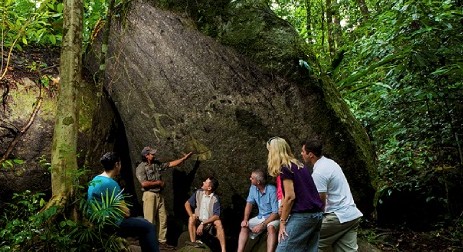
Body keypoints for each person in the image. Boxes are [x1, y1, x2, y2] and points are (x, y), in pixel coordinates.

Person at [87, 152, 159, 252]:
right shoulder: (110, 183)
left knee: (142, 222)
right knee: (148, 227)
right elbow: (125, 212)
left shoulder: (95, 179)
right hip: (111, 223)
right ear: (117, 164)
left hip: (97, 221)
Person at [302, 139, 363, 252]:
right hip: (351, 215)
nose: (301, 154)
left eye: (303, 151)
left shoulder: (319, 173)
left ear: (310, 154)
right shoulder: (330, 163)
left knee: (311, 242)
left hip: (337, 216)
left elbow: (320, 202)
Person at [266, 137, 323, 252]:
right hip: (316, 215)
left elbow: (290, 196)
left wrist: (282, 222)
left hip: (303, 216)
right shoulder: (299, 165)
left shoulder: (285, 168)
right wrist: (282, 205)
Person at [135, 146, 193, 249]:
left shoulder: (156, 164)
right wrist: (158, 182)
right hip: (149, 195)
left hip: (159, 195)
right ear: (146, 156)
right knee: (149, 220)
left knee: (163, 218)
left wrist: (183, 159)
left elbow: (170, 164)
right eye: (152, 154)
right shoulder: (141, 167)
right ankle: (149, 242)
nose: (154, 155)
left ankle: (162, 242)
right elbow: (143, 183)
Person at [237, 169, 279, 252]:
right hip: (261, 216)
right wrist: (245, 220)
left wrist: (262, 225)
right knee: (244, 226)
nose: (250, 179)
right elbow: (249, 204)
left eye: (252, 178)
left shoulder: (272, 190)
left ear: (258, 182)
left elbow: (275, 213)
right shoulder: (253, 188)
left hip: (273, 217)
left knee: (270, 227)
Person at [184, 176, 226, 252]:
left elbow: (216, 216)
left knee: (218, 223)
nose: (203, 182)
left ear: (209, 188)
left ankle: (223, 250)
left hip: (209, 224)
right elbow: (187, 204)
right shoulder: (198, 192)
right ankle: (193, 243)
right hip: (198, 221)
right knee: (191, 218)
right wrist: (191, 214)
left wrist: (203, 224)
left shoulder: (215, 198)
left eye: (205, 182)